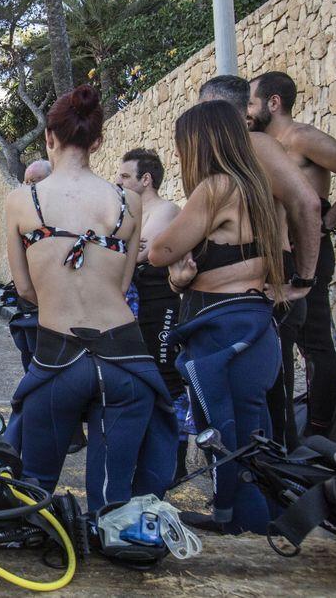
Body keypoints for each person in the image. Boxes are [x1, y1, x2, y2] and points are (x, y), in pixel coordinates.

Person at [4, 85, 175, 512]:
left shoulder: (23, 201)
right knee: (112, 497)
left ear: (49, 137)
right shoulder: (128, 201)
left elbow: (24, 289)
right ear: (98, 142)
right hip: (124, 355)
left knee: (35, 485)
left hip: (57, 354)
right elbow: (121, 286)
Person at [149, 100, 285, 535]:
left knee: (222, 429)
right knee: (250, 425)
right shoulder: (261, 187)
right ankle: (251, 512)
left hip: (220, 329)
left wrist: (176, 275)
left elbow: (160, 251)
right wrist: (180, 283)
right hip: (255, 323)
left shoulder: (216, 189)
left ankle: (237, 518)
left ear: (200, 143)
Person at [249, 71, 336, 435]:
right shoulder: (267, 147)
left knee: (316, 343)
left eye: (251, 101)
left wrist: (326, 222)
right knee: (285, 341)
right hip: (282, 254)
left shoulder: (300, 138)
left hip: (307, 254)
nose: (247, 111)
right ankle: (287, 429)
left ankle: (321, 430)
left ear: (273, 103)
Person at [199, 75, 320, 448]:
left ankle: (278, 490)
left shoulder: (258, 147)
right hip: (237, 296)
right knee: (247, 398)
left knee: (271, 400)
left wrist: (303, 280)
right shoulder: (229, 153)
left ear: (220, 108)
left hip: (270, 283)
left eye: (204, 108)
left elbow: (308, 203)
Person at [115, 149, 189, 473]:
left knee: (167, 377)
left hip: (162, 308)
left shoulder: (167, 210)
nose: (118, 181)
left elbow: (142, 253)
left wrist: (125, 246)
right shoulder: (130, 214)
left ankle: (177, 463)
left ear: (146, 180)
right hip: (136, 310)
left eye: (125, 176)